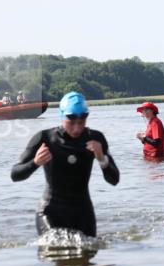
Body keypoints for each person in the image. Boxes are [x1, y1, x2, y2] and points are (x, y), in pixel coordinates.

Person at [11, 91, 120, 237]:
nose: (77, 128)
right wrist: (35, 162)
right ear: (62, 116)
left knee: (89, 250)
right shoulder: (45, 138)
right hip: (50, 211)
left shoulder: (95, 138)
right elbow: (15, 174)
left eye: (81, 122)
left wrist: (101, 159)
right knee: (53, 246)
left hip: (82, 212)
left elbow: (114, 180)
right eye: (71, 123)